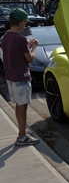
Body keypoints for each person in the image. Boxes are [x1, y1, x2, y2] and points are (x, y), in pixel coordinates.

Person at [2, 8, 39, 146]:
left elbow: (15, 53)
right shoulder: (21, 39)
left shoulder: (6, 36)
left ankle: (21, 132)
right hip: (21, 78)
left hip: (11, 77)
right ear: (22, 22)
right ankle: (22, 137)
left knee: (19, 105)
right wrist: (34, 46)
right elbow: (30, 59)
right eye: (25, 22)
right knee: (23, 107)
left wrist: (27, 46)